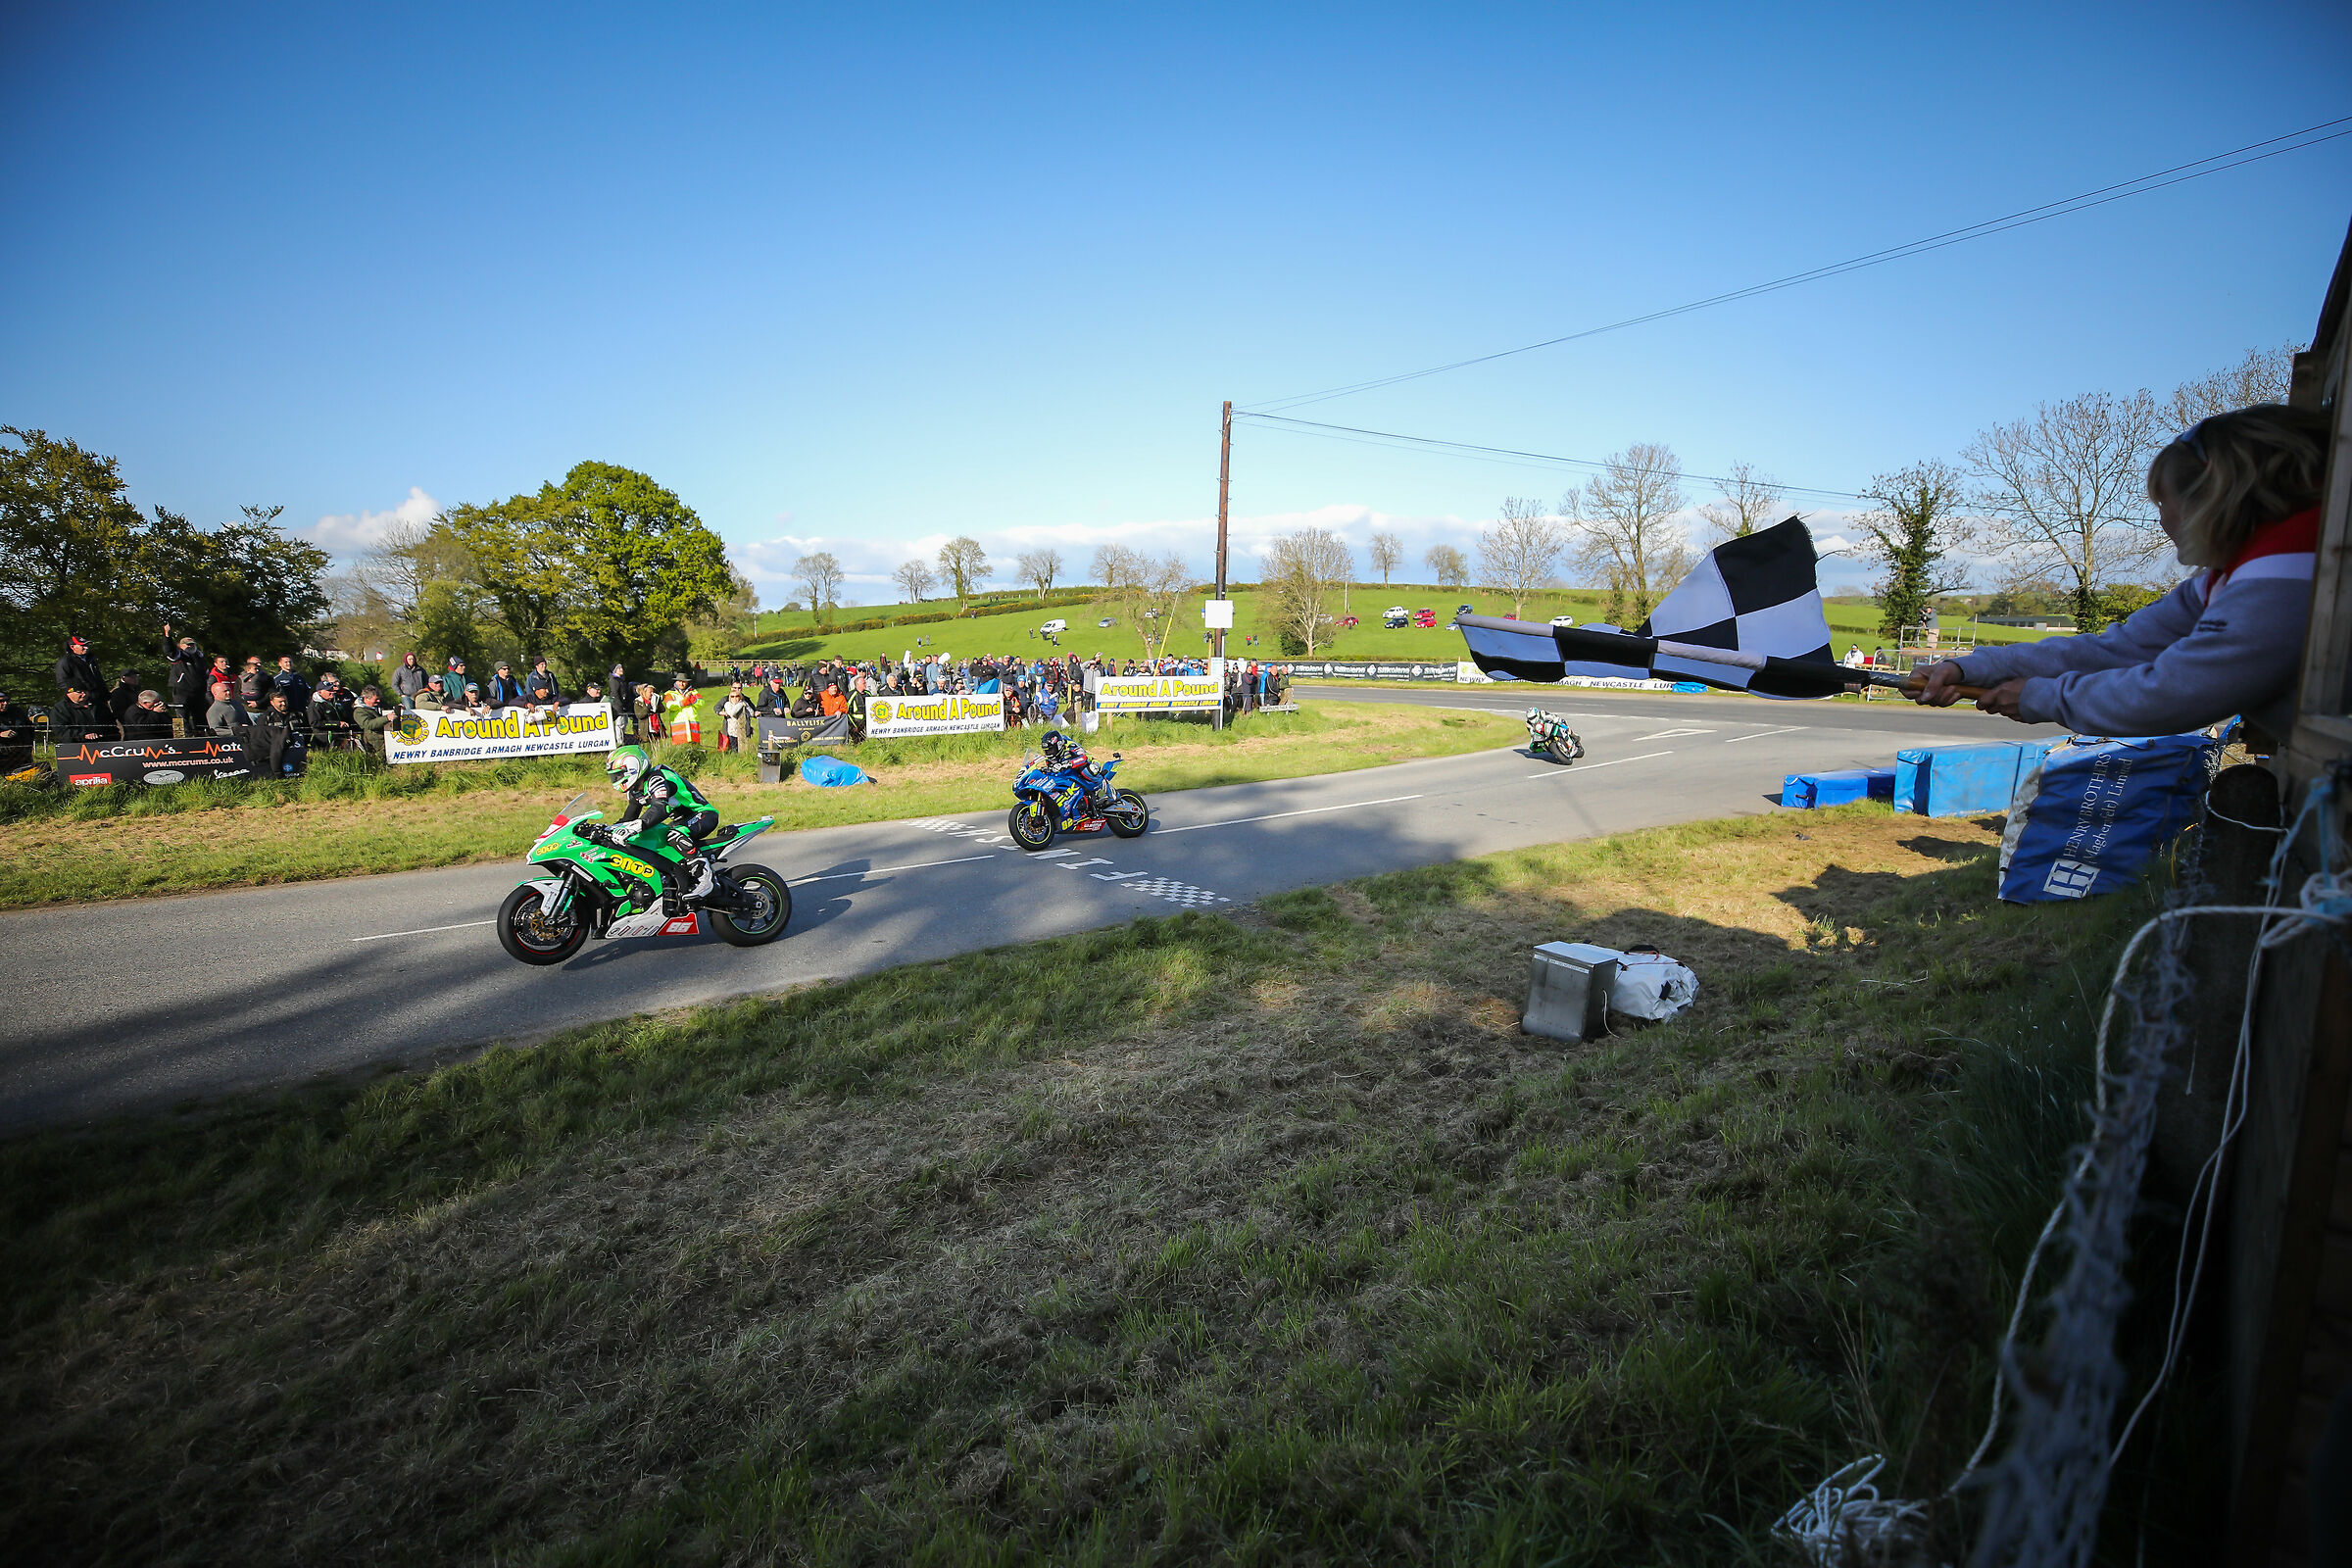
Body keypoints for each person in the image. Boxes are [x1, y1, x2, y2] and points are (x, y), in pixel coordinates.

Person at [1914, 404, 2328, 740]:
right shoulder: (2231, 579)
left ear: (2215, 497)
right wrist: (1970, 669)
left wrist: (2044, 697)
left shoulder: (2284, 576)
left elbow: (2172, 693)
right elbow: (2112, 651)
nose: (2163, 523)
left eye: (2165, 505)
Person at [580, 745, 723, 908]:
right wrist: (606, 831)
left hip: (702, 815)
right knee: (650, 838)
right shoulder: (636, 790)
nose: (616, 778)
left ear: (633, 768)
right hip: (680, 821)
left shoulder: (657, 779)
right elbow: (629, 818)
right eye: (614, 775)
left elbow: (660, 808)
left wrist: (636, 826)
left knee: (673, 834)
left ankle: (706, 878)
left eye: (619, 774)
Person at [1039, 728, 1113, 808]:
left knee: (1089, 770)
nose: (1048, 753)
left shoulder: (1070, 745)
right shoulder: (1052, 756)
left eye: (1051, 750)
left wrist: (1068, 764)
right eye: (1046, 751)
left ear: (1059, 745)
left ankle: (1112, 794)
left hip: (1088, 763)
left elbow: (1083, 757)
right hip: (1068, 769)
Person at [163, 626, 209, 735]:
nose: (190, 646)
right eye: (187, 645)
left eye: (192, 644)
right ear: (181, 646)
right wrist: (167, 636)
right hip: (181, 691)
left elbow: (206, 674)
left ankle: (203, 738)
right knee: (181, 717)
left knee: (201, 717)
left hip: (199, 692)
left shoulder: (200, 657)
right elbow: (169, 650)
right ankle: (179, 739)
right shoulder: (179, 656)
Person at [251, 690, 299, 777]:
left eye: (285, 701)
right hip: (274, 750)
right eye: (280, 702)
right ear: (272, 703)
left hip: (296, 747)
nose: (284, 704)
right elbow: (260, 737)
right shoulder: (266, 717)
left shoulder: (296, 714)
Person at [55, 633, 106, 705]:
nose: (86, 648)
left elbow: (98, 677)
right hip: (83, 701)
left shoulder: (91, 659)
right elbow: (63, 682)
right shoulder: (65, 662)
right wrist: (79, 694)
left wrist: (105, 693)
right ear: (72, 647)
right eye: (82, 646)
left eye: (87, 645)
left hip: (99, 698)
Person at [350, 686, 392, 758]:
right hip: (375, 742)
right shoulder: (359, 712)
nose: (378, 701)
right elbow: (368, 724)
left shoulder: (380, 705)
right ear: (366, 698)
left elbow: (390, 709)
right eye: (376, 699)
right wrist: (386, 718)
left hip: (389, 738)